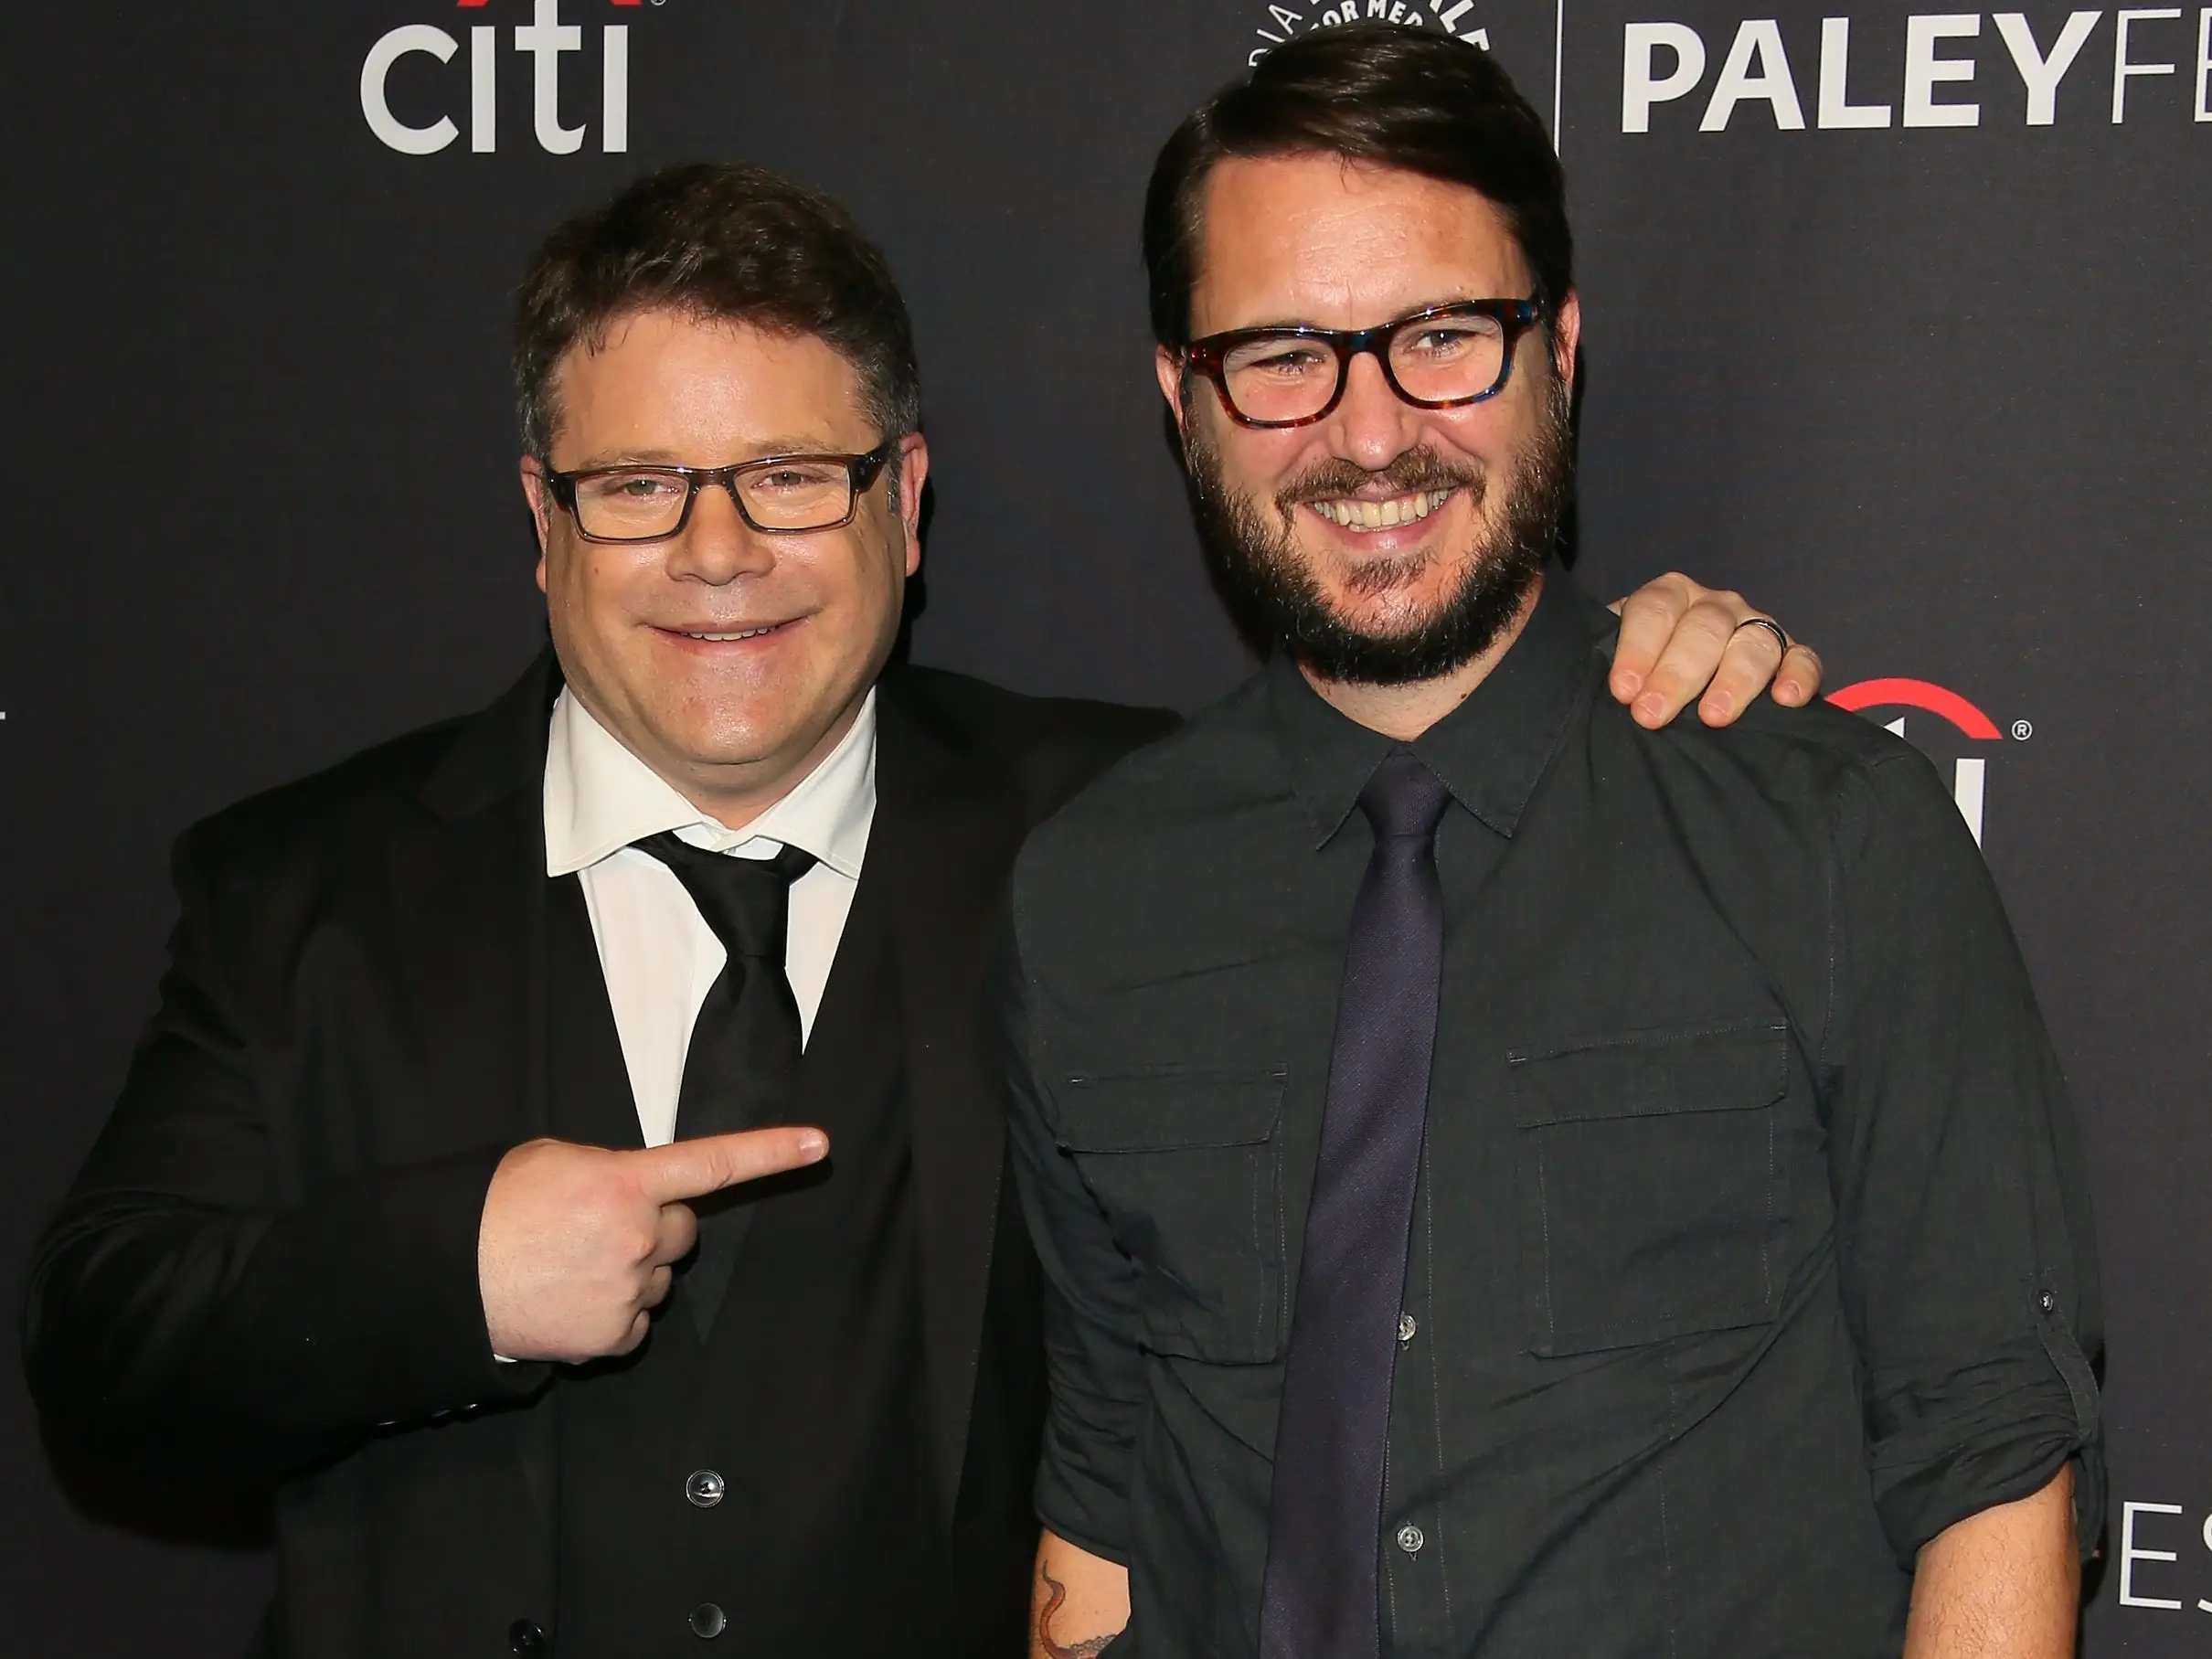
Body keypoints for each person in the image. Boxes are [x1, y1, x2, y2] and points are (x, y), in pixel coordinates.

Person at [22, 162, 1815, 1659]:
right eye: (640, 488)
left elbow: (1458, 817)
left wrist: (1631, 680)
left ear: (907, 501)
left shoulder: (1138, 833)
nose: (718, 553)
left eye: (793, 477)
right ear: (541, 519)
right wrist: (452, 1276)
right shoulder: (307, 889)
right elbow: (106, 1355)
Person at [1006, 27, 2102, 1659]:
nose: (1371, 434)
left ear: (1561, 350)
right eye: (1283, 354)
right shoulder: (1089, 895)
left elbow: (1994, 1465)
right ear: (1183, 394)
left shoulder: (1827, 838)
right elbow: (1102, 1491)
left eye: (1444, 336)